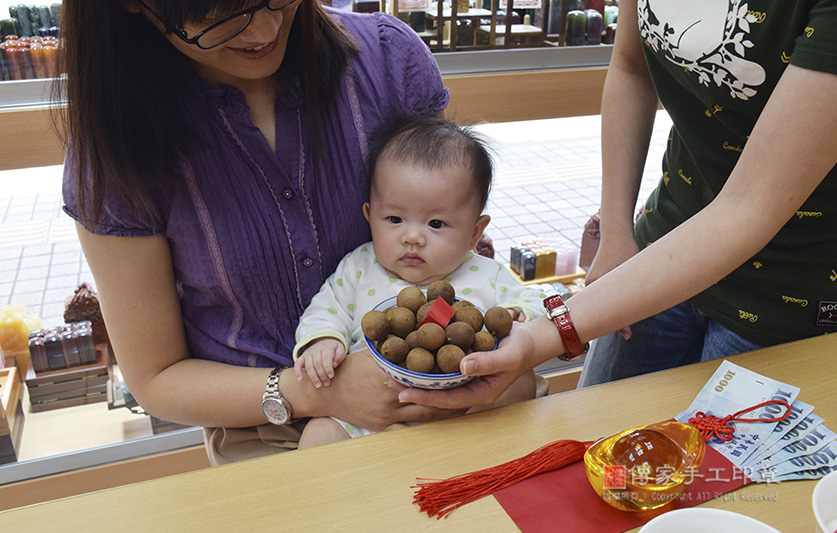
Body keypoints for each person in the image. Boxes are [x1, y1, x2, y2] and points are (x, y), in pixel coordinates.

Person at [59, 0, 459, 465]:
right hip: (265, 431)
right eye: (219, 14)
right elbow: (157, 377)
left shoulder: (385, 62)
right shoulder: (116, 150)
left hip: (432, 395)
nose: (265, 30)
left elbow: (452, 239)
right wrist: (313, 392)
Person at [399, 0, 837, 410]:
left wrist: (548, 334)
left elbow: (749, 206)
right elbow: (631, 67)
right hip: (663, 245)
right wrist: (616, 234)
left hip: (788, 291)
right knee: (593, 452)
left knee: (719, 481)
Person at [291, 115, 546, 447]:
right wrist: (323, 342)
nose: (412, 237)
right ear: (370, 217)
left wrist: (520, 315)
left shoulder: (487, 274)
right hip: (372, 419)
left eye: (436, 224)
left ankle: (473, 467)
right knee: (318, 434)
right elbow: (324, 310)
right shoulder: (359, 267)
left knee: (520, 383)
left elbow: (536, 305)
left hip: (463, 415)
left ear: (474, 232)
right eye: (394, 219)